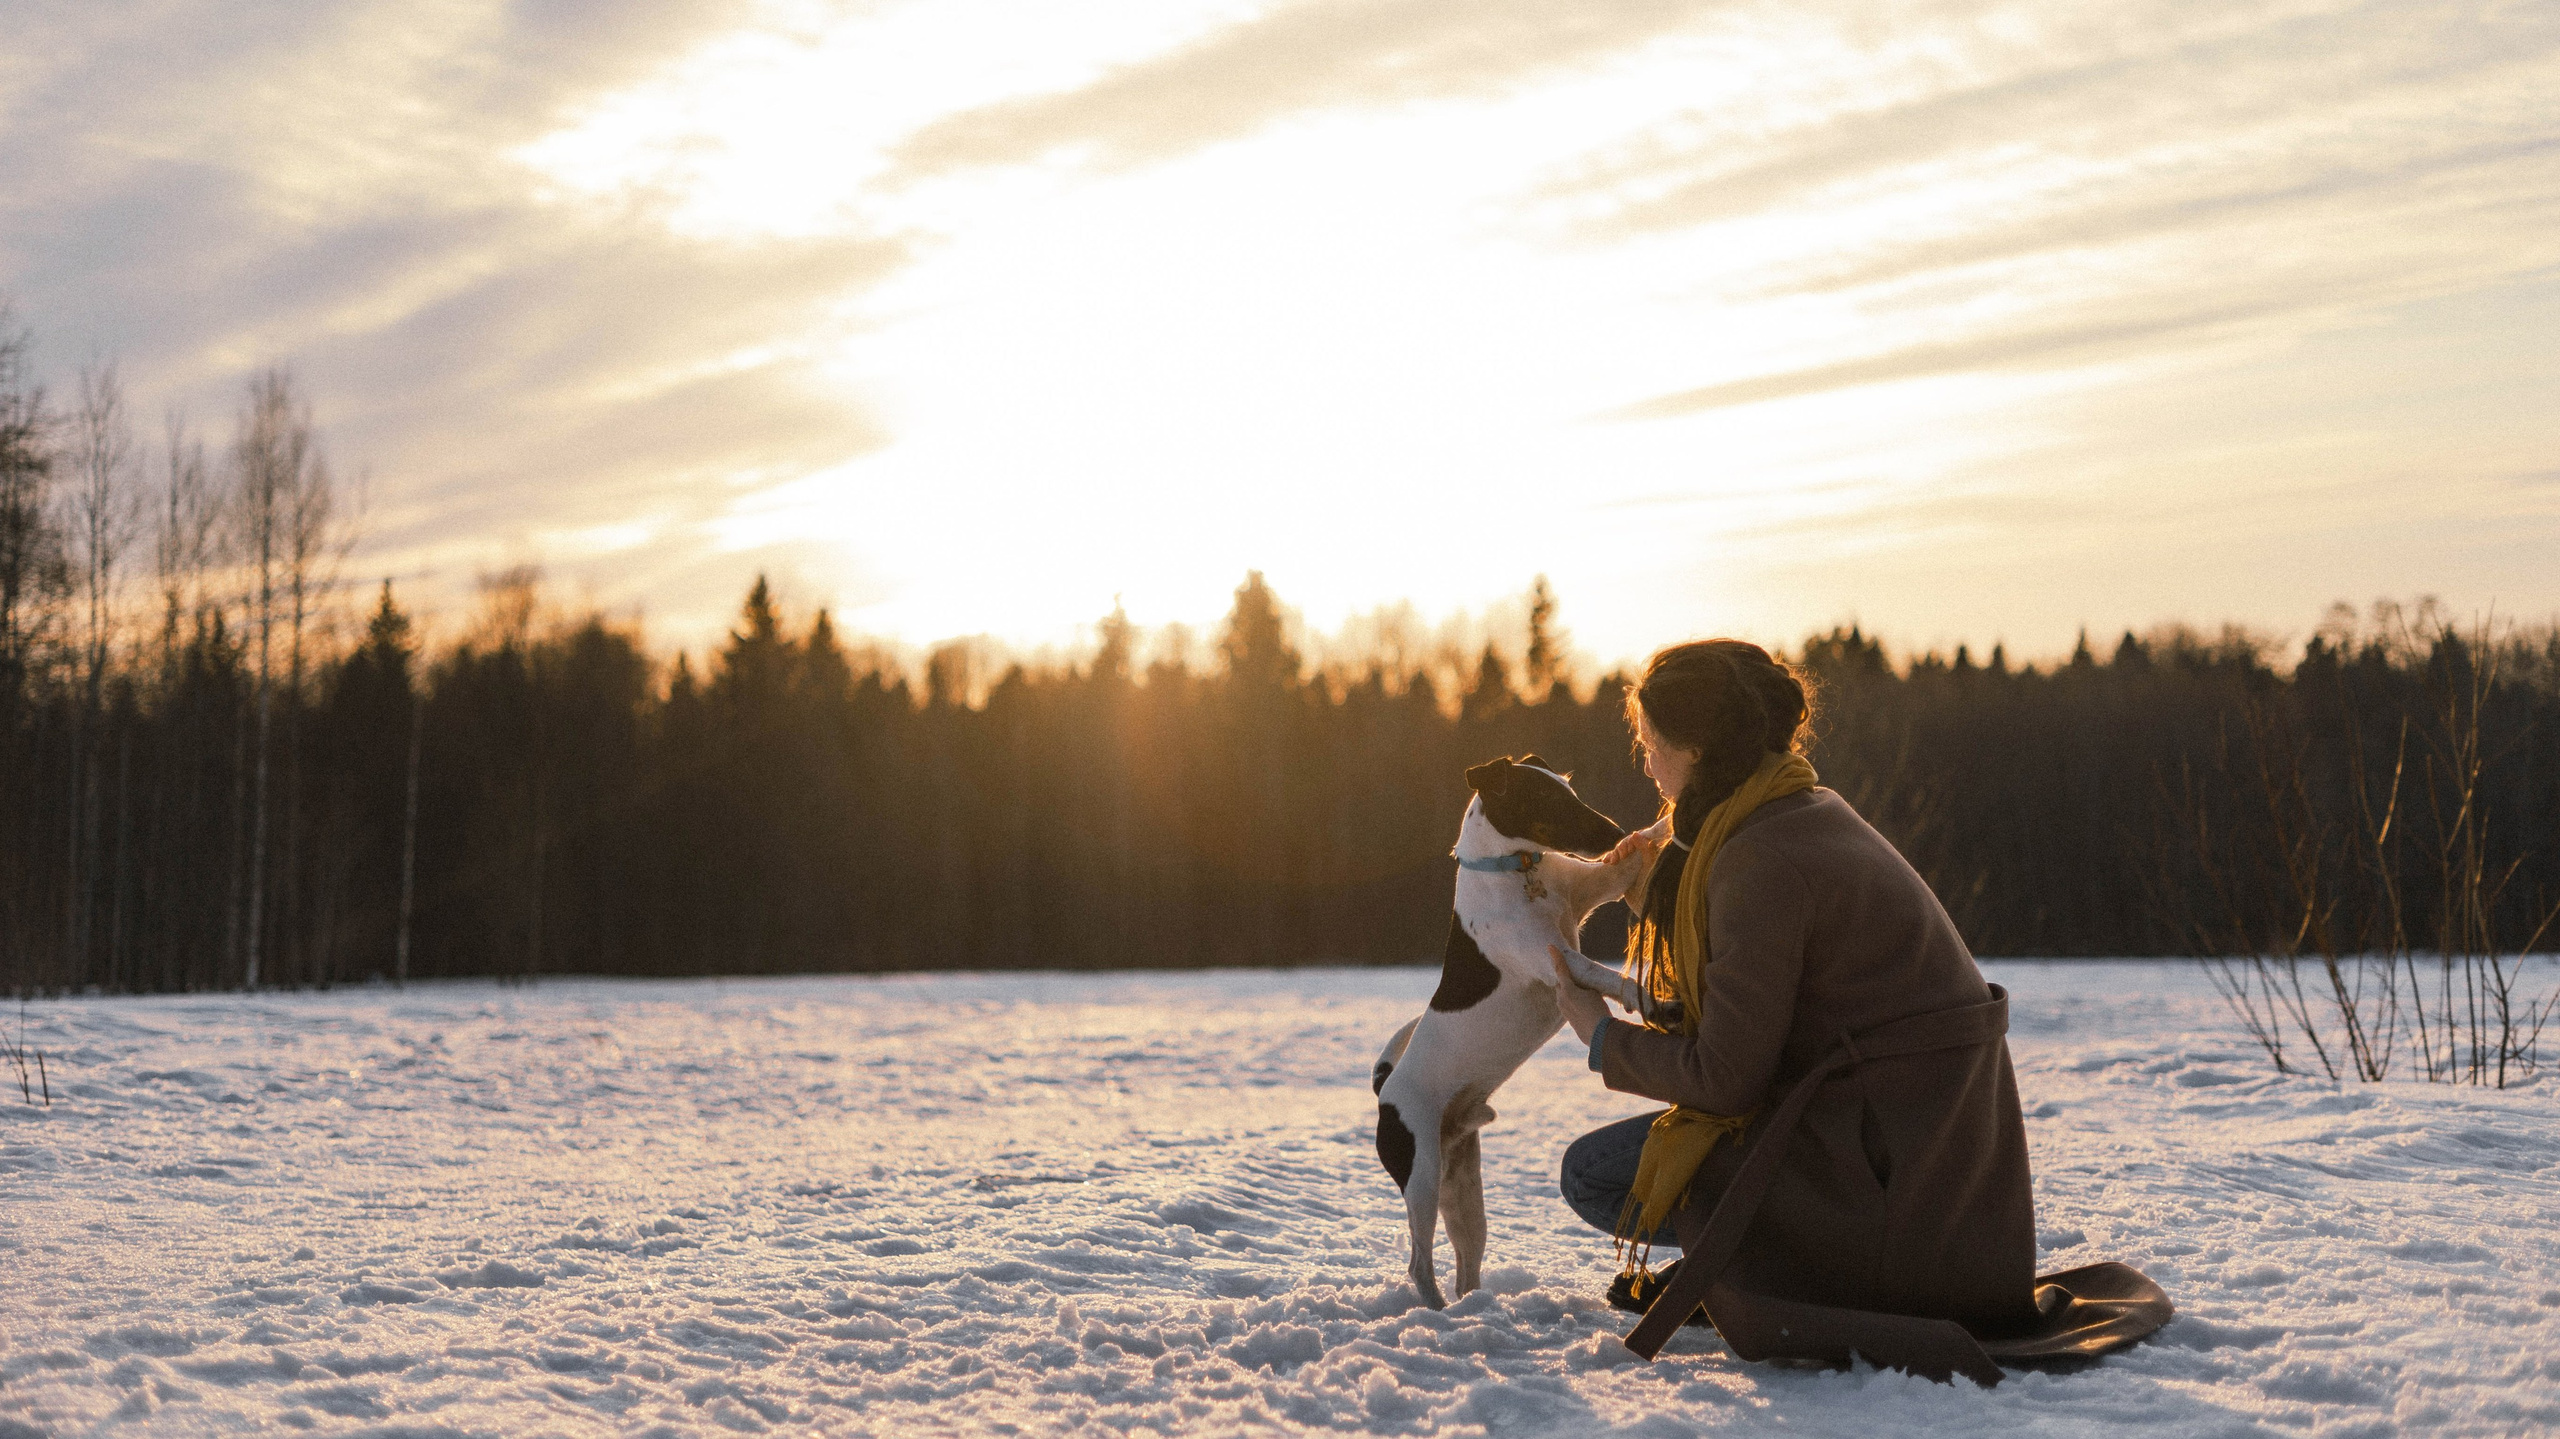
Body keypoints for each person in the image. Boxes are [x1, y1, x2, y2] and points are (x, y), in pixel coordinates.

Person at [1544, 637, 2043, 1366]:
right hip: (1932, 1171)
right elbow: (1758, 1010)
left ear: (1698, 750)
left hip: (1897, 1192)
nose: (1644, 763)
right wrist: (1655, 893)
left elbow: (1728, 1076)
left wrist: (1600, 1038)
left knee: (1594, 1174)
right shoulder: (1796, 808)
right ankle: (1766, 1265)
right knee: (1629, 1167)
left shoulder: (1760, 858)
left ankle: (1796, 1275)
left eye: (1651, 744)